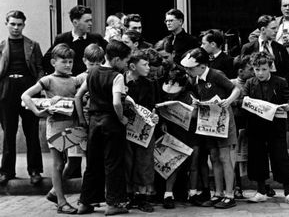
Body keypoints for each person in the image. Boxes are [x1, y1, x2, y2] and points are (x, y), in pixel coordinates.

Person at [249, 0, 289, 158]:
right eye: (285, 5)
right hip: (277, 66)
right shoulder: (273, 22)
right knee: (277, 102)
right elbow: (254, 36)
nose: (288, 8)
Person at [22, 43, 80, 214]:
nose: (68, 65)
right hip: (55, 125)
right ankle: (61, 202)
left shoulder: (75, 80)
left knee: (74, 162)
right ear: (54, 62)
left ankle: (55, 191)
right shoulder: (48, 80)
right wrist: (38, 111)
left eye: (70, 61)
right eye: (64, 62)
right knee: (58, 164)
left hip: (74, 125)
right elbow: (25, 95)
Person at [75, 40, 131, 215]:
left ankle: (85, 202)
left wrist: (82, 119)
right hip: (111, 123)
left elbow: (78, 96)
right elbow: (116, 102)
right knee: (113, 163)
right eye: (125, 60)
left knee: (93, 163)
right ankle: (113, 204)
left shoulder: (91, 72)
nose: (126, 64)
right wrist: (122, 118)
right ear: (115, 60)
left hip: (93, 122)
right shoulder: (117, 76)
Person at [181, 47, 240, 209]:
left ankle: (230, 194)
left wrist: (228, 100)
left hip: (223, 121)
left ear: (201, 66)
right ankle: (218, 193)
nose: (188, 71)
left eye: (191, 68)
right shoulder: (196, 79)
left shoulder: (216, 75)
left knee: (224, 157)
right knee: (214, 157)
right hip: (208, 123)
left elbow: (236, 89)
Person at [243, 52, 289, 205]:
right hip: (257, 126)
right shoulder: (250, 83)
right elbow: (244, 99)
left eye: (263, 69)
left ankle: (288, 191)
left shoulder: (280, 82)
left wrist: (288, 106)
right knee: (257, 157)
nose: (260, 73)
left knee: (280, 157)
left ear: (270, 68)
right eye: (256, 69)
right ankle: (261, 191)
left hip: (275, 127)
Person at [0, 10, 44, 186]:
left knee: (32, 131)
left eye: (19, 24)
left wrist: (38, 88)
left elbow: (40, 68)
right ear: (6, 24)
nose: (16, 28)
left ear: (24, 25)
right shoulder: (1, 46)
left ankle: (34, 171)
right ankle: (6, 171)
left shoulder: (33, 45)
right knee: (8, 132)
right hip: (6, 89)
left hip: (28, 89)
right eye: (13, 24)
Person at [62, 44, 105, 180]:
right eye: (91, 64)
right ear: (84, 60)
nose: (94, 67)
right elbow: (74, 98)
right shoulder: (80, 78)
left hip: (95, 120)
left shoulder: (103, 75)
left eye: (98, 64)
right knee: (74, 160)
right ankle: (56, 189)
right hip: (80, 121)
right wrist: (80, 118)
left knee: (93, 157)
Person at [159, 65, 199, 209]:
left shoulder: (190, 95)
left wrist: (192, 109)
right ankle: (168, 194)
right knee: (173, 165)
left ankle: (193, 193)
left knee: (193, 165)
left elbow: (195, 114)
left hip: (191, 134)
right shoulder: (165, 94)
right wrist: (163, 121)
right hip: (174, 133)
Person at [124, 50, 159, 213]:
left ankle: (143, 196)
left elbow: (153, 105)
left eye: (149, 64)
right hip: (126, 128)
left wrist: (154, 115)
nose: (148, 67)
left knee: (144, 161)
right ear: (132, 66)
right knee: (127, 160)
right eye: (144, 64)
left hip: (145, 128)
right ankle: (129, 194)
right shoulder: (121, 81)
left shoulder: (150, 84)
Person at [43, 5, 107, 77]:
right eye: (87, 21)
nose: (90, 24)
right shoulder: (62, 39)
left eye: (91, 20)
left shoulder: (96, 38)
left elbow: (110, 56)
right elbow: (47, 61)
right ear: (75, 23)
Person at [241, 15, 289, 85]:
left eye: (277, 28)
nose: (276, 31)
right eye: (273, 28)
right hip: (256, 87)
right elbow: (245, 71)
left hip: (277, 87)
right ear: (263, 30)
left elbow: (287, 72)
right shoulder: (248, 48)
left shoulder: (281, 49)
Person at [230, 55, 254, 199]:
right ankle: (237, 186)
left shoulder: (254, 82)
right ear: (240, 71)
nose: (253, 72)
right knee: (236, 157)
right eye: (250, 69)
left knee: (252, 155)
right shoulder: (231, 84)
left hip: (250, 123)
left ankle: (263, 185)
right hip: (236, 124)